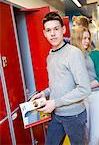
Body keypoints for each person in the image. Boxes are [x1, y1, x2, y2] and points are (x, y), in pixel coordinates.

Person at [31, 12, 91, 145]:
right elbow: (56, 84)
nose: (52, 34)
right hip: (56, 114)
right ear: (44, 33)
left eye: (56, 29)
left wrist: (55, 102)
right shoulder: (50, 56)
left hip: (74, 116)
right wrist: (44, 93)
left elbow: (85, 89)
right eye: (48, 30)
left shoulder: (73, 53)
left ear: (63, 30)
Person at [70, 26, 99, 145]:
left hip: (94, 96)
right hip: (78, 98)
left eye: (88, 38)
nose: (87, 41)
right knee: (84, 132)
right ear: (77, 39)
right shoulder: (71, 56)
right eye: (83, 38)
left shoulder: (95, 54)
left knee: (95, 133)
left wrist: (84, 86)